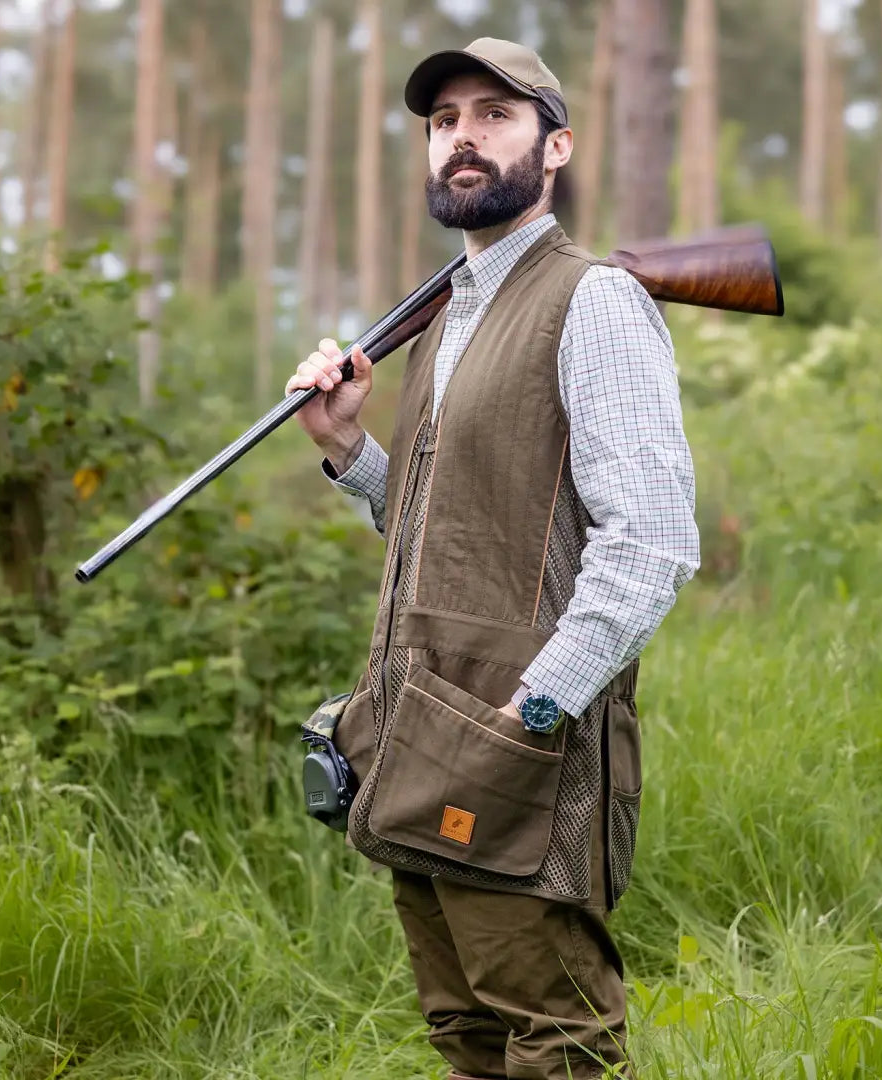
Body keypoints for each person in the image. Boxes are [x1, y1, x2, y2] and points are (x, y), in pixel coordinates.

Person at [285, 37, 700, 1080]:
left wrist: (537, 709)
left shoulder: (594, 302)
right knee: (465, 1033)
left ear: (555, 146)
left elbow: (652, 544)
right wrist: (348, 449)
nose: (462, 137)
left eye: (494, 115)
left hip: (516, 741)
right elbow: (457, 528)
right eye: (443, 122)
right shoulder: (442, 322)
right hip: (417, 727)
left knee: (556, 1040)